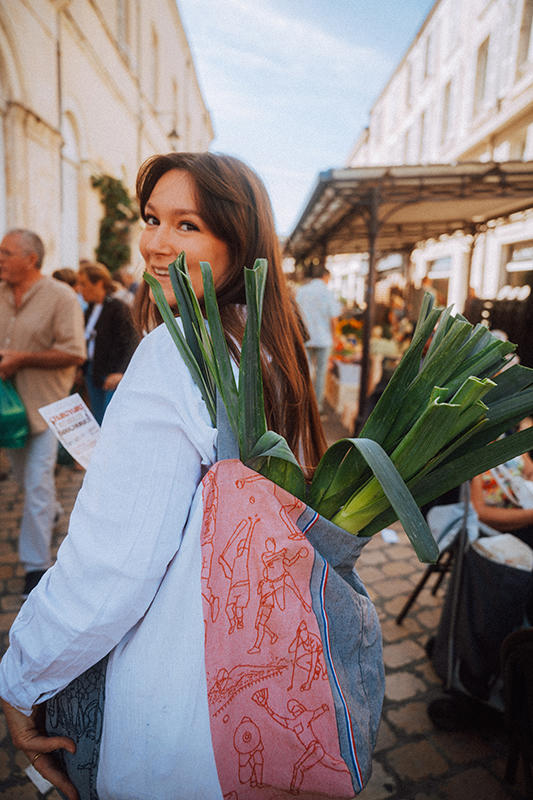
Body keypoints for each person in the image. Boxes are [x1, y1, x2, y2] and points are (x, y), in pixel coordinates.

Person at [0, 152, 326, 800]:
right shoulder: (259, 346)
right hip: (252, 684)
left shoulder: (173, 352)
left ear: (237, 242)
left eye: (187, 225)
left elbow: (115, 562)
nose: (154, 243)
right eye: (152, 219)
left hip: (178, 697)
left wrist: (22, 674)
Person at [0, 229, 86, 597]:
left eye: (6, 253)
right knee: (24, 479)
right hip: (8, 411)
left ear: (30, 259)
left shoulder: (61, 297)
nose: (0, 258)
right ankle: (50, 511)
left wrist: (22, 359)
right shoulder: (1, 294)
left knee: (36, 483)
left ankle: (36, 567)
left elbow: (75, 352)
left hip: (46, 407)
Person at [77, 262, 140, 425]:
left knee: (109, 420)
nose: (80, 289)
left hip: (112, 373)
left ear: (98, 283)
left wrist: (121, 372)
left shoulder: (118, 308)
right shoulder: (89, 309)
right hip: (93, 370)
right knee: (96, 417)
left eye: (84, 284)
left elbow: (131, 341)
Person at [295, 264, 341, 414]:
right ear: (325, 277)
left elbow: (295, 314)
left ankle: (302, 403)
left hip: (305, 336)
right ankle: (316, 407)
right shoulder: (328, 292)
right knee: (321, 373)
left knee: (304, 371)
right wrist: (335, 336)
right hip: (323, 338)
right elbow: (334, 318)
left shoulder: (302, 291)